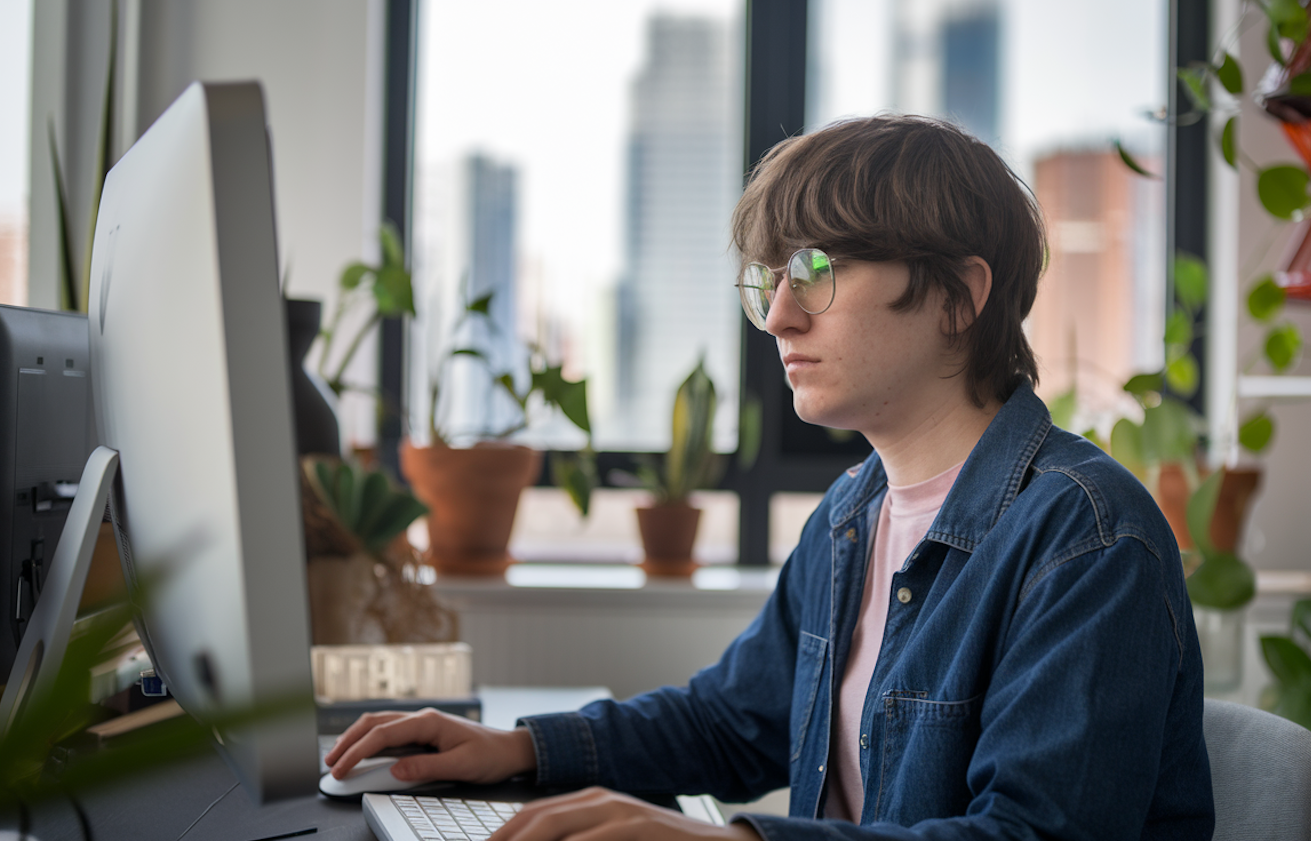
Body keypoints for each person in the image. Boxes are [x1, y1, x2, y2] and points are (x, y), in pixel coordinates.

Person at [325, 114, 1214, 840]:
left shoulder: (1088, 539)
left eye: (817, 271)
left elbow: (1029, 838)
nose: (779, 315)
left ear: (958, 296)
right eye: (769, 281)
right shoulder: (851, 515)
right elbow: (731, 720)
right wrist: (516, 748)